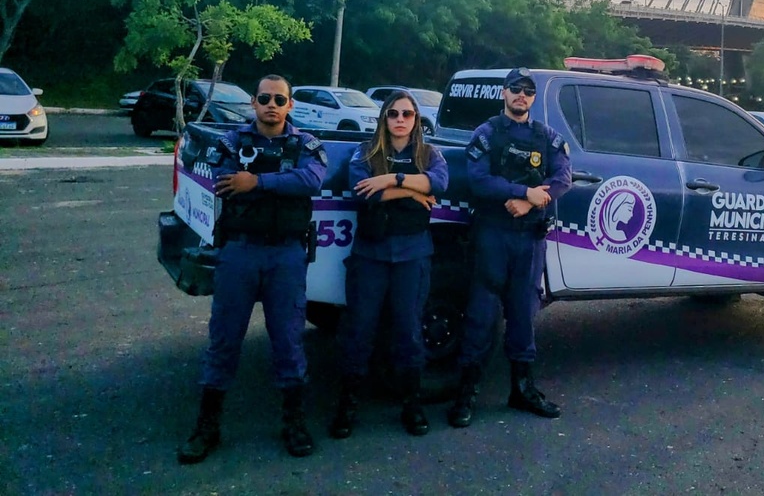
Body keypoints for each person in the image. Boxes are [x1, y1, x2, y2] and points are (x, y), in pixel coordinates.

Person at [177, 74, 327, 464]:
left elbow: (311, 178)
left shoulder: (306, 144)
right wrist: (272, 182)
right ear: (254, 104)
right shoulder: (232, 143)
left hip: (286, 257)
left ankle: (294, 423)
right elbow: (226, 180)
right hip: (240, 253)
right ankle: (207, 427)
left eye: (280, 99)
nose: (272, 104)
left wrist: (257, 181)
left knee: (289, 341)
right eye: (264, 98)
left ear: (290, 105)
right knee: (224, 340)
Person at [447, 67, 571, 428]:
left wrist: (531, 203)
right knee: (481, 314)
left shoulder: (546, 136)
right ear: (504, 93)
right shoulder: (487, 133)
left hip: (529, 236)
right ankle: (466, 394)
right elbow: (478, 180)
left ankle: (522, 389)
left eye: (528, 91)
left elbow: (563, 178)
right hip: (493, 235)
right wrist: (521, 192)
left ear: (534, 97)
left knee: (522, 315)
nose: (521, 95)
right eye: (515, 89)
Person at [329, 90, 448, 439]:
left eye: (407, 114)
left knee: (409, 332)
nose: (400, 119)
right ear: (384, 118)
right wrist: (413, 191)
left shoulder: (429, 153)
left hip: (412, 256)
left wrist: (392, 180)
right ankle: (347, 405)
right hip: (371, 255)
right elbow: (363, 191)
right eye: (393, 113)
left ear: (416, 119)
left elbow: (439, 182)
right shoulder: (366, 153)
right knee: (359, 332)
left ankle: (412, 405)